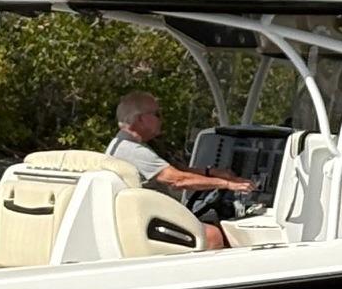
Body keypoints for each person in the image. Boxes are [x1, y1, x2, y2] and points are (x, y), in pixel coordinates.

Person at [107, 91, 252, 250]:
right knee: (213, 235)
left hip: (143, 216)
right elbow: (178, 180)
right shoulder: (133, 150)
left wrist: (212, 173)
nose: (161, 119)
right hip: (146, 222)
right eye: (157, 114)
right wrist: (228, 184)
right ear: (140, 118)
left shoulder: (126, 144)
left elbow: (178, 170)